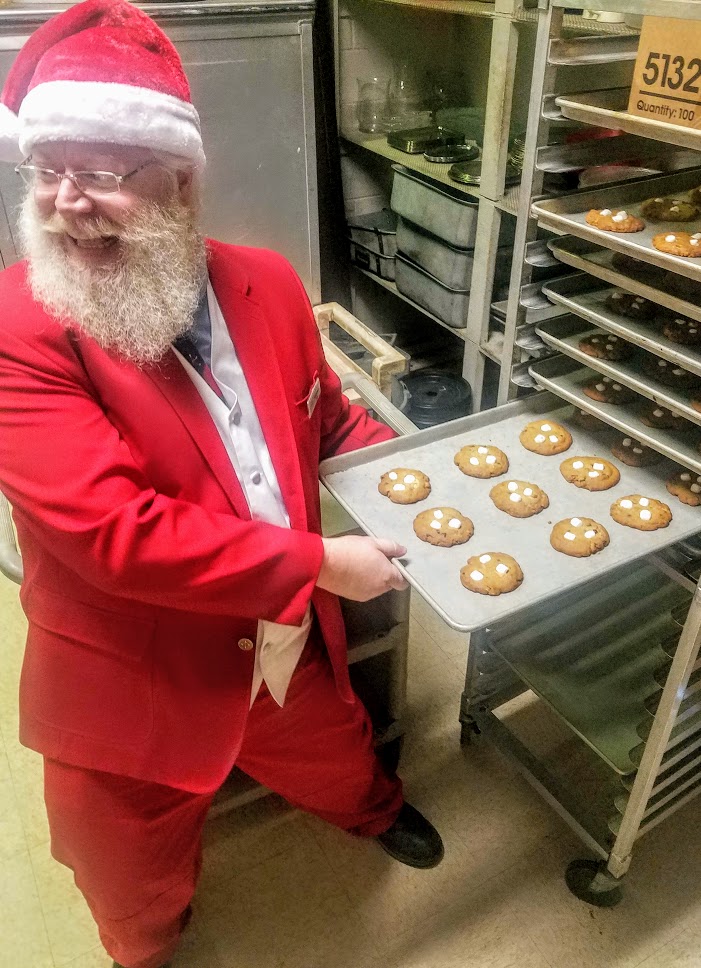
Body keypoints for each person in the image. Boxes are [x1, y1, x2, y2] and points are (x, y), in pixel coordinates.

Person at [0, 1, 443, 966]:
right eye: (47, 170)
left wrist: (423, 484)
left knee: (339, 755)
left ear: (184, 181)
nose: (67, 201)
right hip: (135, 679)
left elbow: (326, 419)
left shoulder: (268, 283)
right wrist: (323, 563)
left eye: (103, 173)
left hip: (282, 641)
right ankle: (146, 945)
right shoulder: (17, 331)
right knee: (126, 868)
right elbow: (116, 532)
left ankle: (372, 813)